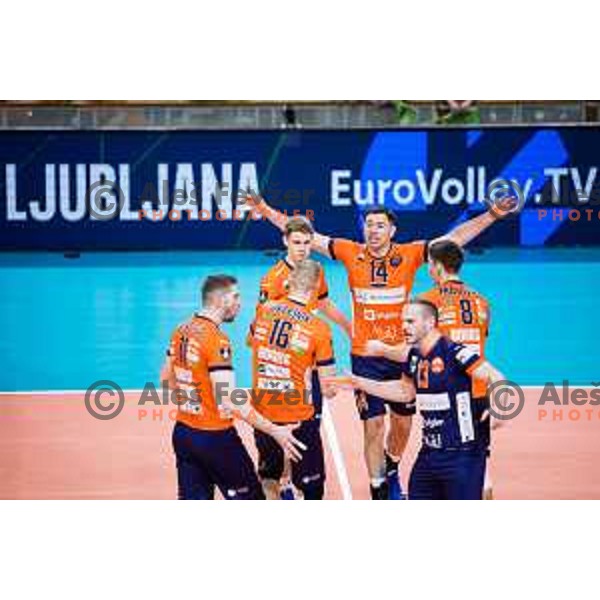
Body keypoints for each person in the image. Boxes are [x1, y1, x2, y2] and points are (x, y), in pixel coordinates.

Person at [245, 191, 515, 499]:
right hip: (365, 355)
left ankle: (392, 465)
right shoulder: (349, 251)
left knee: (402, 427)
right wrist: (265, 208)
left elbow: (452, 240)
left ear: (392, 230)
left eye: (379, 225)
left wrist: (492, 215)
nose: (373, 230)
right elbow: (306, 235)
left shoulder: (411, 254)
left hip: (402, 355)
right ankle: (379, 490)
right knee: (373, 426)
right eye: (369, 225)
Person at [161, 274, 305, 500]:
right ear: (221, 300)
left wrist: (194, 404)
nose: (240, 303)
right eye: (235, 297)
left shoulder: (181, 330)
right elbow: (228, 399)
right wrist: (274, 430)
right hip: (216, 439)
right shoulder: (217, 341)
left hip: (183, 434)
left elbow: (166, 380)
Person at [348, 299, 505, 500]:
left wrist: (503, 410)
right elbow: (405, 392)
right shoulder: (415, 356)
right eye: (403, 321)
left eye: (411, 322)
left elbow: (497, 377)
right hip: (429, 454)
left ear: (430, 323)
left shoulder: (454, 352)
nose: (404, 327)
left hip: (461, 457)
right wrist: (359, 383)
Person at [251, 217, 350, 498]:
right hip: (286, 369)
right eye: (297, 243)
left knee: (306, 427)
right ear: (285, 241)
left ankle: (293, 479)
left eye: (307, 243)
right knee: (282, 427)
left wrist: (348, 326)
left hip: (310, 358)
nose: (303, 248)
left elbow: (323, 303)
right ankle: (283, 480)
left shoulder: (315, 271)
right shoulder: (272, 280)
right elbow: (262, 324)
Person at [418, 239, 494, 498]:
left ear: (438, 266)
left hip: (450, 396)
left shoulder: (427, 302)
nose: (428, 269)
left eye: (429, 264)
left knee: (452, 478)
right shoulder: (482, 302)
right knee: (483, 472)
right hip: (480, 393)